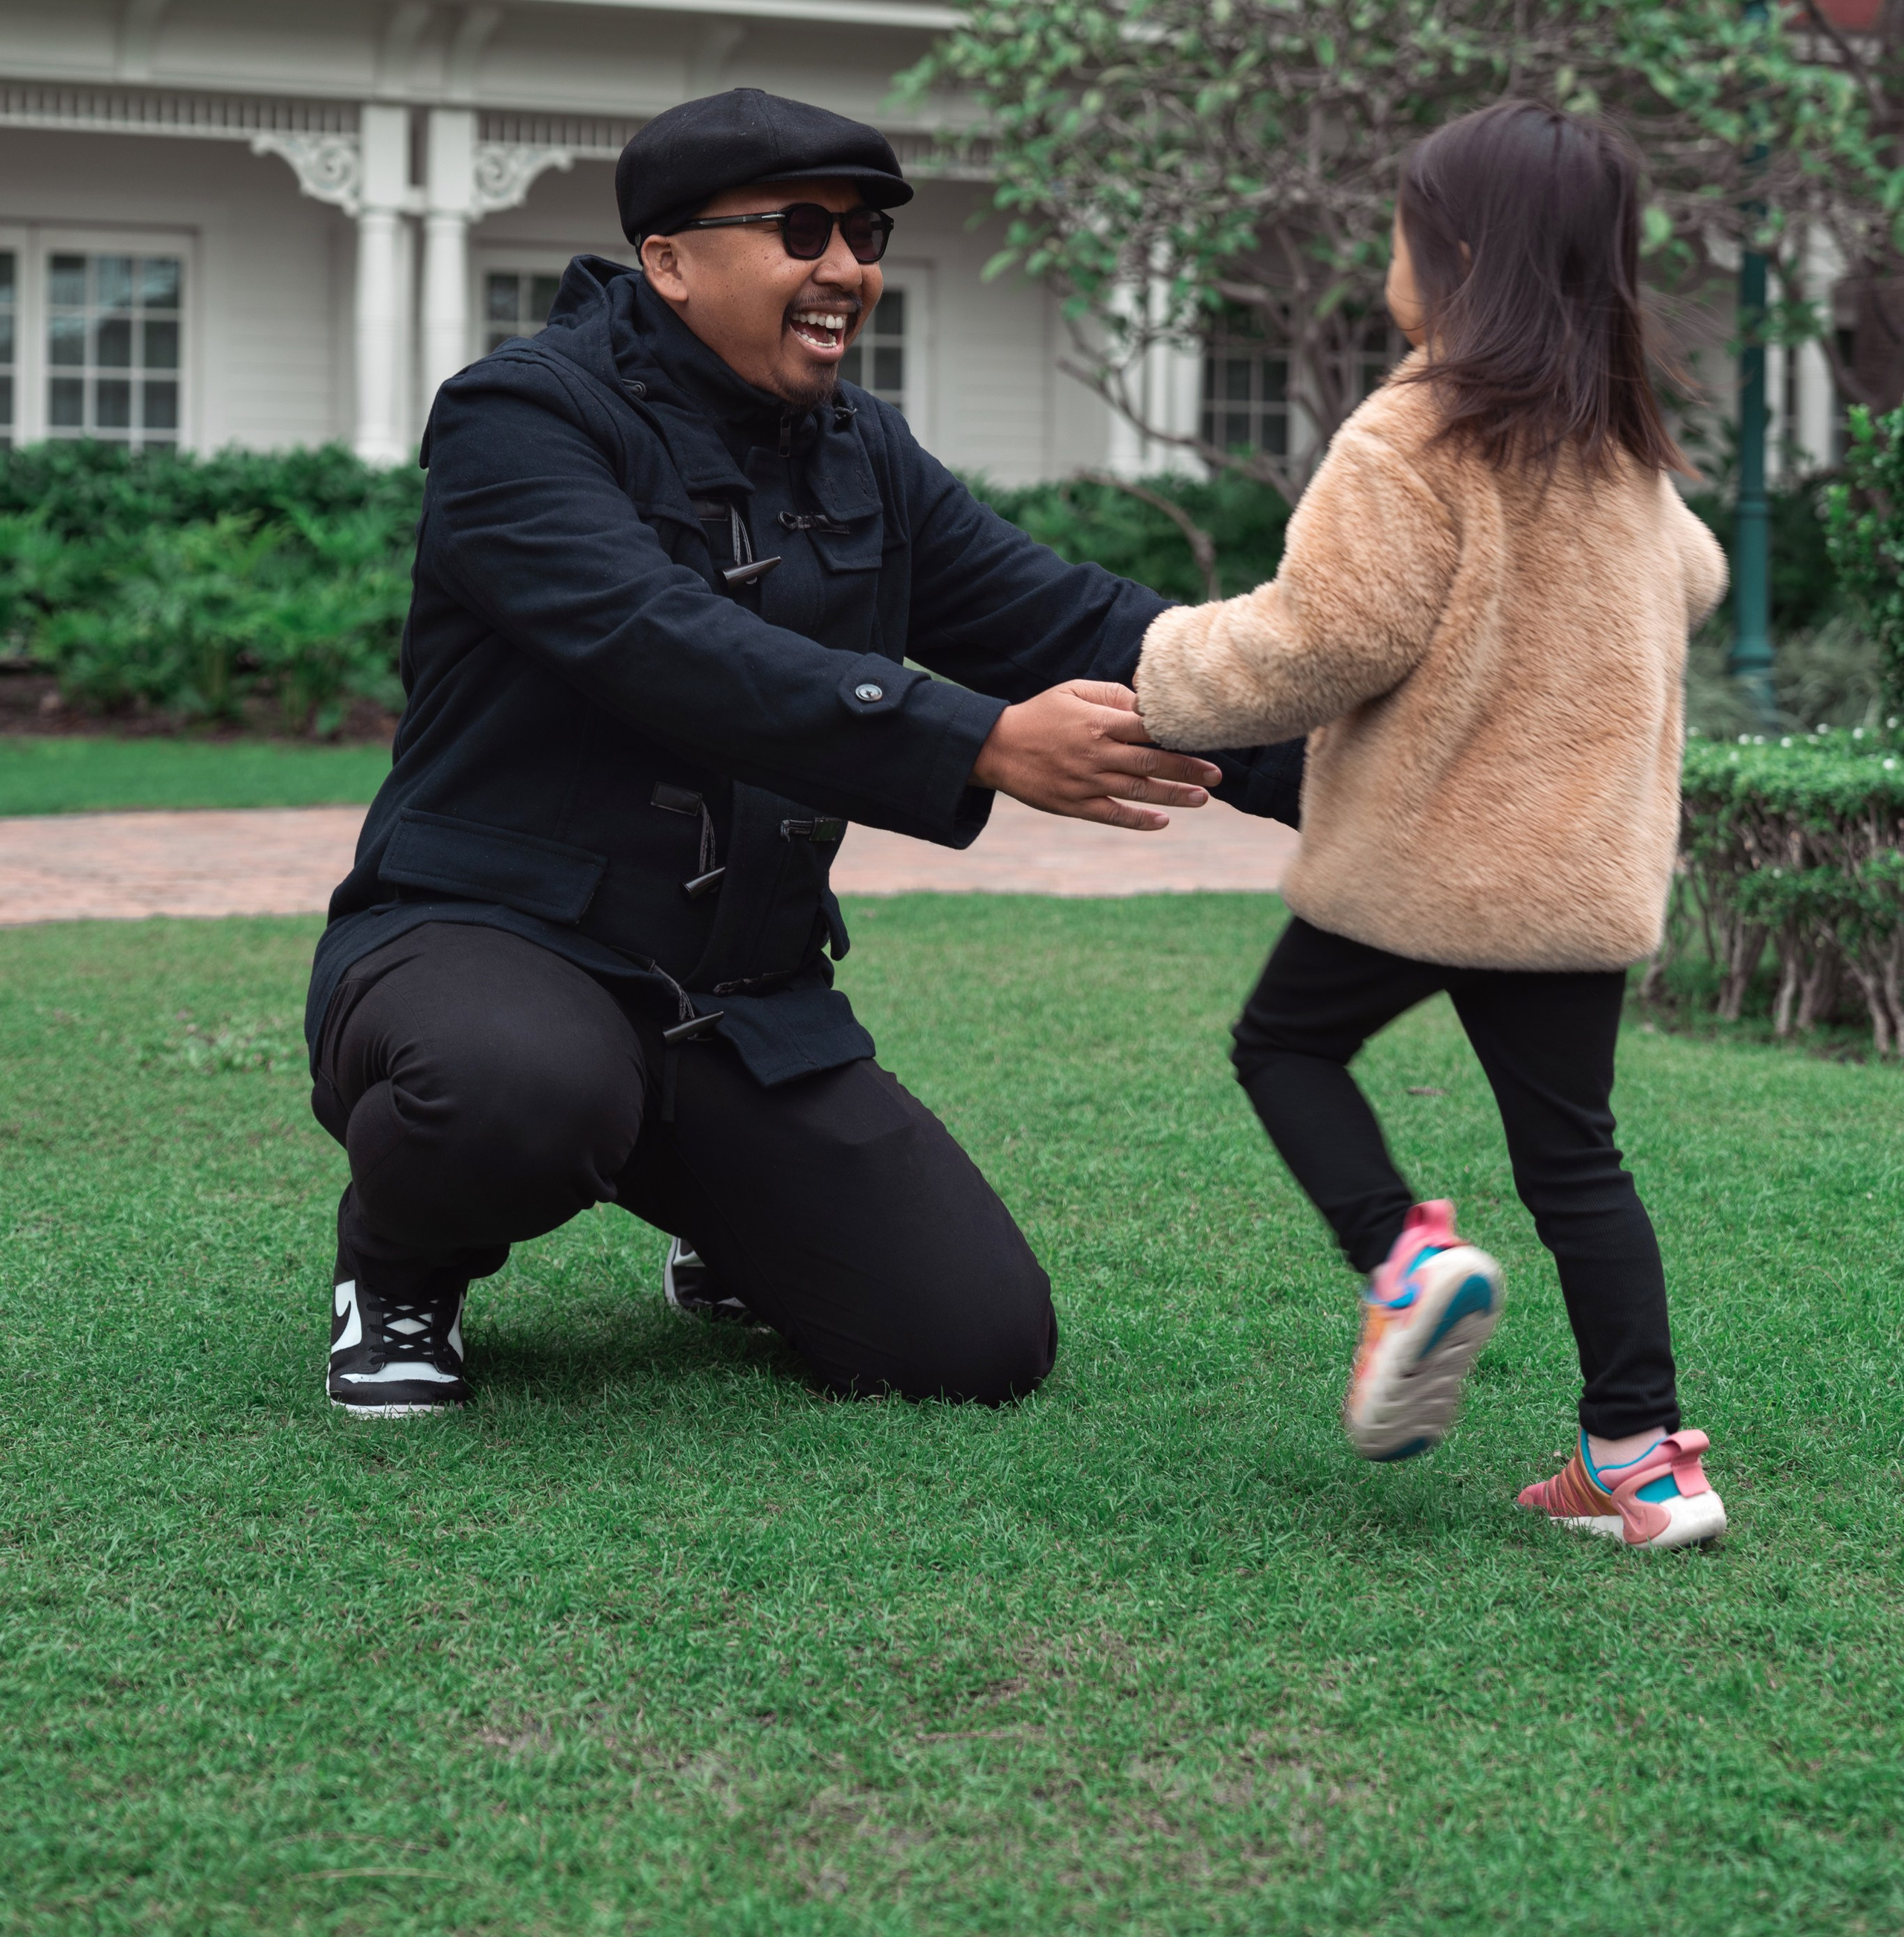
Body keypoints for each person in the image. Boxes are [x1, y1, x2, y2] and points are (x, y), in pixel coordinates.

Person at [311, 86, 1302, 1417]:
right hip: (486, 944)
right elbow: (660, 643)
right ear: (668, 259)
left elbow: (1073, 623)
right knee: (519, 1091)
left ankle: (722, 1209)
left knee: (971, 1345)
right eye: (801, 230)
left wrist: (1362, 779)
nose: (847, 268)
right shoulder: (519, 420)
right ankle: (398, 1266)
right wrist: (978, 740)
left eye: (866, 234)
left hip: (736, 998)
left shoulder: (862, 451)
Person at [1134, 100, 1730, 1550]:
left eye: (1399, 232)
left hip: (1427, 862)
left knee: (1283, 1045)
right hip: (1574, 880)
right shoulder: (1616, 444)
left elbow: (1324, 637)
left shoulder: (1418, 428)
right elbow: (1698, 576)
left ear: (1453, 255)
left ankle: (1402, 1257)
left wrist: (1165, 668)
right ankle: (1645, 1463)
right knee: (1575, 1160)